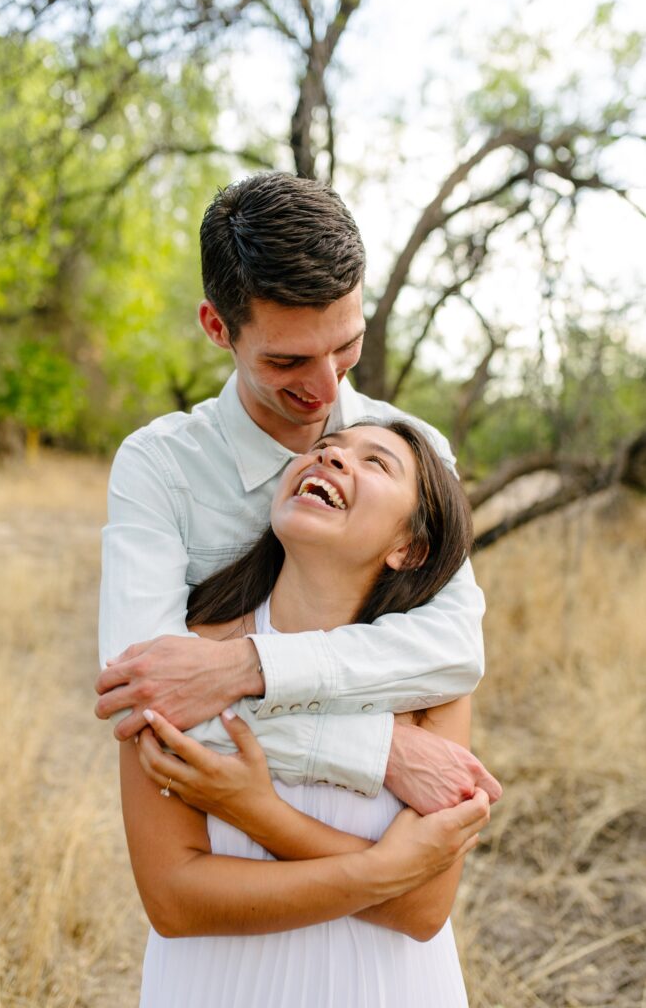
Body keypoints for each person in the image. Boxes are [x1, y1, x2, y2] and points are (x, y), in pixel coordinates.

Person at [96, 171, 499, 814]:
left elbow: (452, 649)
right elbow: (143, 691)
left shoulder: (418, 453)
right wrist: (380, 751)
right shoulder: (161, 467)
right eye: (287, 361)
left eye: (347, 345)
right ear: (217, 327)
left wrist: (244, 668)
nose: (328, 391)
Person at [121, 420, 493, 1007]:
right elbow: (172, 898)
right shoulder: (184, 660)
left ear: (409, 547)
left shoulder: (428, 682)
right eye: (325, 449)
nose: (333, 458)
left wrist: (259, 812)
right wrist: (380, 871)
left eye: (376, 463)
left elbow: (423, 910)